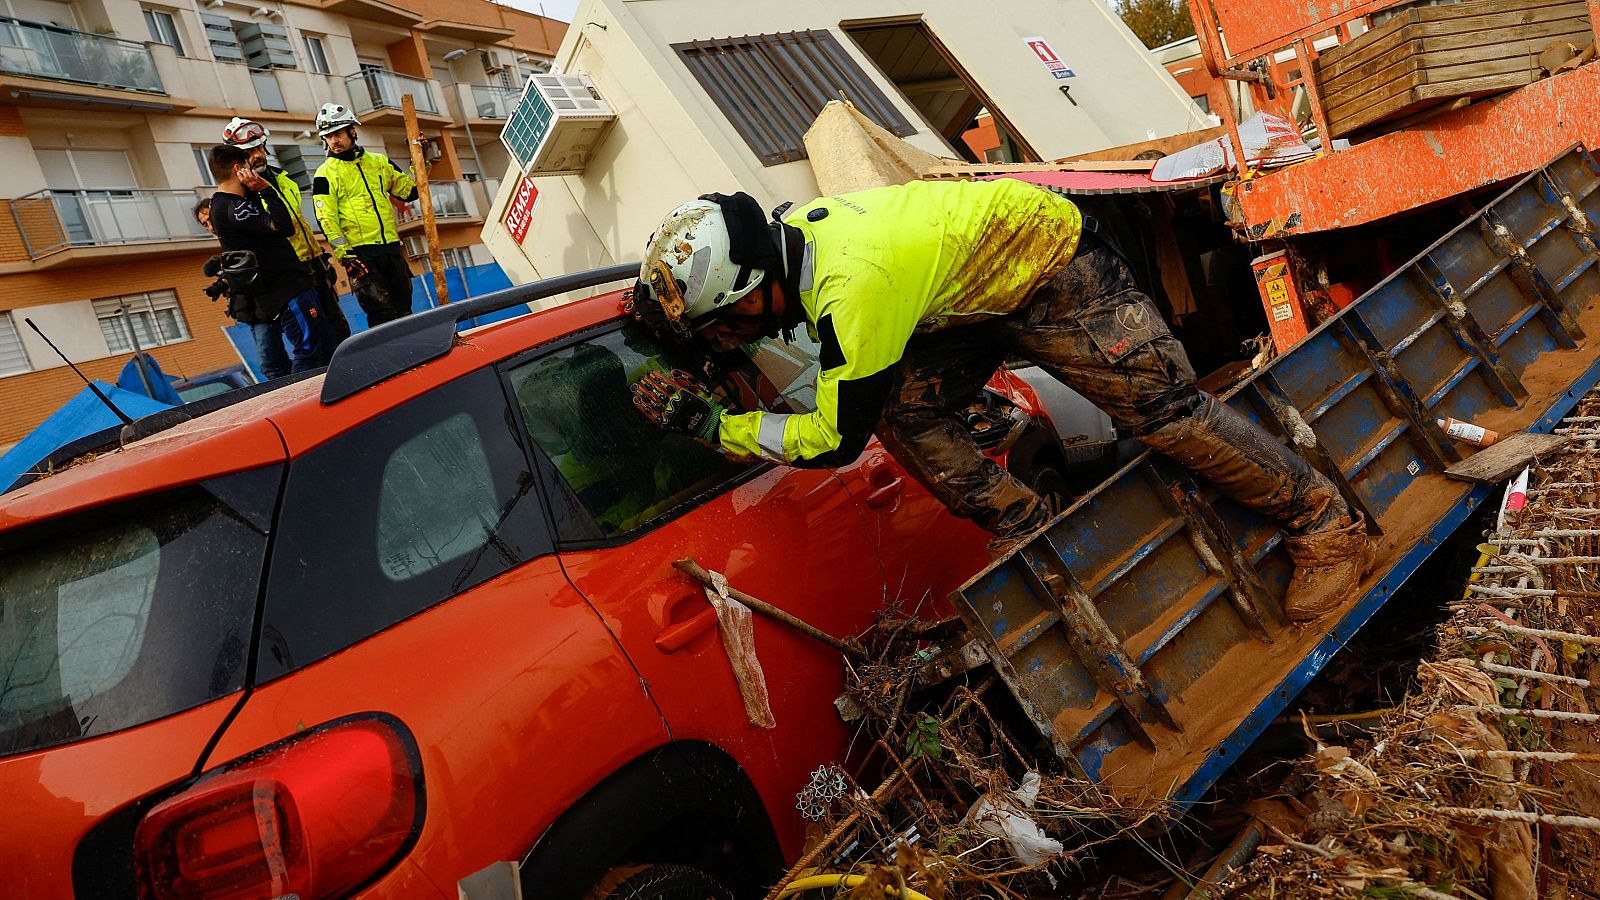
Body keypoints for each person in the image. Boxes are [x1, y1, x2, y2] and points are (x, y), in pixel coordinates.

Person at [627, 181, 1375, 622]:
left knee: (1163, 411)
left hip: (1052, 264)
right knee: (906, 410)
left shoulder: (851, 290)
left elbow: (834, 440)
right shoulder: (792, 242)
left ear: (754, 292)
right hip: (970, 298)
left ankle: (1326, 523)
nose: (726, 337)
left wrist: (724, 427)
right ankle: (1025, 524)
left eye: (724, 323)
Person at [208, 144, 335, 376]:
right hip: (285, 289)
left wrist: (254, 192)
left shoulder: (227, 203)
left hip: (288, 286)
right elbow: (283, 226)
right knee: (308, 350)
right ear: (238, 168)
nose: (252, 170)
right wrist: (266, 190)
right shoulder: (233, 208)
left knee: (323, 344)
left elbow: (261, 225)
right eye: (247, 166)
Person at [221, 116, 351, 343]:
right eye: (249, 151)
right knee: (314, 340)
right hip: (292, 274)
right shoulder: (243, 196)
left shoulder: (283, 179)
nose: (257, 155)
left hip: (315, 264)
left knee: (338, 330)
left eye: (260, 147)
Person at [310, 103, 417, 327]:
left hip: (390, 248)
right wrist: (346, 256)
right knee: (381, 315)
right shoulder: (324, 174)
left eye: (337, 133)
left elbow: (410, 191)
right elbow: (325, 219)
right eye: (328, 136)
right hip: (361, 254)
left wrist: (420, 159)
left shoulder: (379, 162)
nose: (333, 141)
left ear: (352, 131)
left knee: (405, 310)